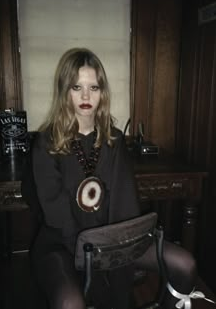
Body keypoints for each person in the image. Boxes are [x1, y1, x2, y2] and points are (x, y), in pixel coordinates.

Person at [22, 48, 198, 309]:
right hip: (61, 243)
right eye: (76, 87)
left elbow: (125, 204)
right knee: (70, 303)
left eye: (93, 87)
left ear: (102, 93)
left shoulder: (114, 140)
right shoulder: (46, 143)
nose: (85, 96)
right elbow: (57, 214)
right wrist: (92, 258)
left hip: (114, 241)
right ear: (64, 91)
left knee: (186, 264)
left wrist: (121, 250)